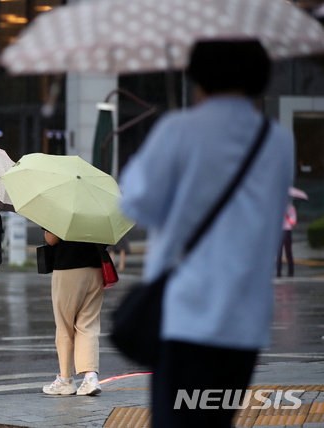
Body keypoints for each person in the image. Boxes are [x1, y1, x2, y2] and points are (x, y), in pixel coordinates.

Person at [119, 41, 293, 428]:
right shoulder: (277, 140)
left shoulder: (178, 130)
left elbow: (137, 205)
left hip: (186, 318)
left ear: (197, 76)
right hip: (245, 324)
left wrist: (141, 163)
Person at [42, 231, 104, 396]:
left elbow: (51, 239)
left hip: (67, 267)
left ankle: (65, 380)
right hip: (96, 268)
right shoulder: (100, 205)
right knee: (88, 325)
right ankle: (90, 378)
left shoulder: (60, 205)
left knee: (64, 325)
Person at [277, 201, 297, 277]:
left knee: (288, 252)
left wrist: (287, 216)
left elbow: (293, 222)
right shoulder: (278, 208)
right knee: (279, 253)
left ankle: (291, 272)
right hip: (280, 231)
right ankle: (278, 272)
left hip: (287, 231)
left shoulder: (291, 208)